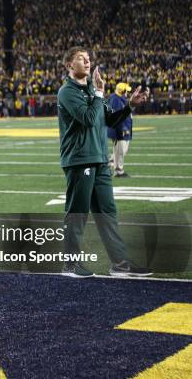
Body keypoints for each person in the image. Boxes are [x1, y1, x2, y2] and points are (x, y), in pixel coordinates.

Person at [57, 47, 151, 278]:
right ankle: (70, 264)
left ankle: (120, 263)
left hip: (99, 159)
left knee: (108, 212)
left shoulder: (91, 89)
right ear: (70, 64)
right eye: (81, 58)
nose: (87, 61)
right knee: (78, 212)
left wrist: (129, 106)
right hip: (80, 159)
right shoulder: (67, 92)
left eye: (88, 58)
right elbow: (89, 119)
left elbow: (108, 118)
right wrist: (99, 93)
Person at [107, 83, 133, 178]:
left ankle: (111, 162)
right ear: (122, 91)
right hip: (119, 130)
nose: (127, 93)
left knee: (121, 150)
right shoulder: (116, 100)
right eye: (126, 91)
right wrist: (123, 128)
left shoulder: (118, 99)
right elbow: (117, 117)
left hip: (122, 128)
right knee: (120, 150)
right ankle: (118, 171)